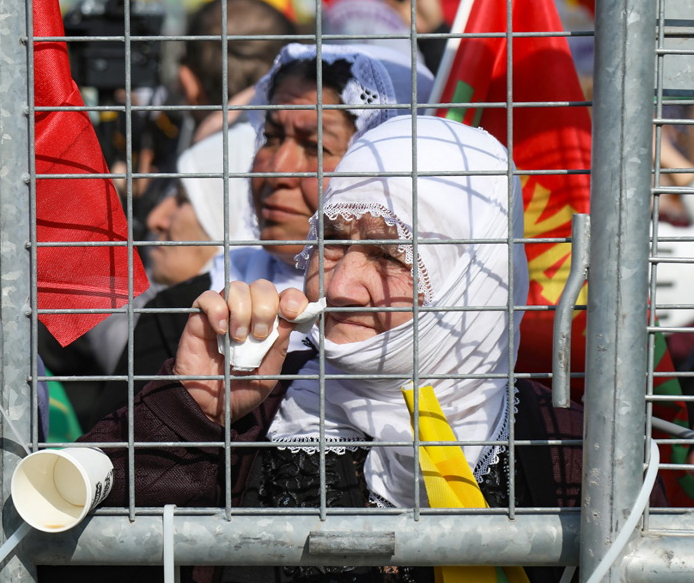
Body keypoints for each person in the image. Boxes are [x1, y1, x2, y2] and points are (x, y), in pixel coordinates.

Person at [80, 116, 592, 583]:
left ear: (472, 280)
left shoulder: (565, 450)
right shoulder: (257, 408)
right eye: (330, 237)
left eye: (392, 253)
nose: (342, 284)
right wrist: (190, 412)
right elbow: (67, 556)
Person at [89, 43, 436, 424]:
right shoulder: (195, 314)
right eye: (270, 137)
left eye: (315, 146)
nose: (277, 170)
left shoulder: (446, 327)